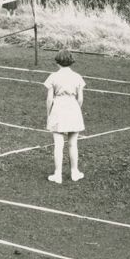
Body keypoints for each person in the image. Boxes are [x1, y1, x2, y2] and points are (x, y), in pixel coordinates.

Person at [44, 50, 85, 183]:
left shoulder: (53, 76)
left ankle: (58, 174)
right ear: (71, 61)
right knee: (73, 144)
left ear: (57, 62)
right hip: (73, 108)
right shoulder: (77, 76)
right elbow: (80, 98)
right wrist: (76, 110)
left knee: (58, 144)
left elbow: (49, 99)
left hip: (58, 109)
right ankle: (74, 172)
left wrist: (48, 114)